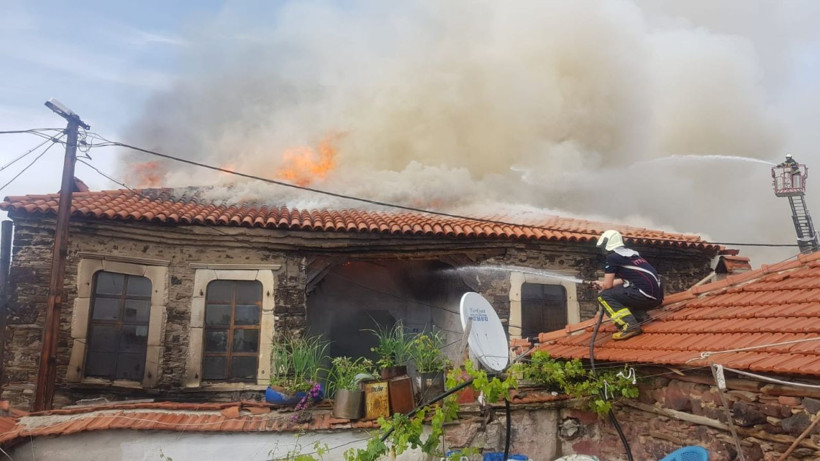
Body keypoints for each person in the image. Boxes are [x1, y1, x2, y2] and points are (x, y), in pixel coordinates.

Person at [591, 230, 663, 340]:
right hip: (656, 298)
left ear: (608, 244)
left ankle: (629, 326)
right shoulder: (632, 255)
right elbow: (625, 280)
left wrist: (602, 285)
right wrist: (602, 284)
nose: (603, 250)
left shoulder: (613, 258)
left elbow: (608, 285)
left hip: (645, 297)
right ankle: (640, 317)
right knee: (620, 291)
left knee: (604, 296)